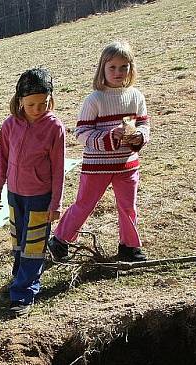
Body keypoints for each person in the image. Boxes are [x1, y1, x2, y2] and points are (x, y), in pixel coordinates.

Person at [48, 40, 150, 263]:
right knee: (84, 204)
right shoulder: (94, 100)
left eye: (124, 67)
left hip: (127, 164)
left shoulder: (136, 97)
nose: (118, 72)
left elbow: (144, 125)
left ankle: (129, 247)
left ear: (131, 68)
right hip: (97, 166)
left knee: (128, 207)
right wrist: (108, 137)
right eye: (112, 67)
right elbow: (82, 133)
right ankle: (60, 240)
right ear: (102, 68)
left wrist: (139, 136)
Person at [0, 67, 65, 317]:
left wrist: (55, 204)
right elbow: (1, 160)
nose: (37, 109)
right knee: (18, 241)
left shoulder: (54, 128)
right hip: (15, 195)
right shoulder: (9, 125)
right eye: (31, 104)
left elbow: (58, 168)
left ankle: (24, 293)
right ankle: (19, 277)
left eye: (43, 103)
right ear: (19, 100)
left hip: (40, 197)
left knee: (33, 245)